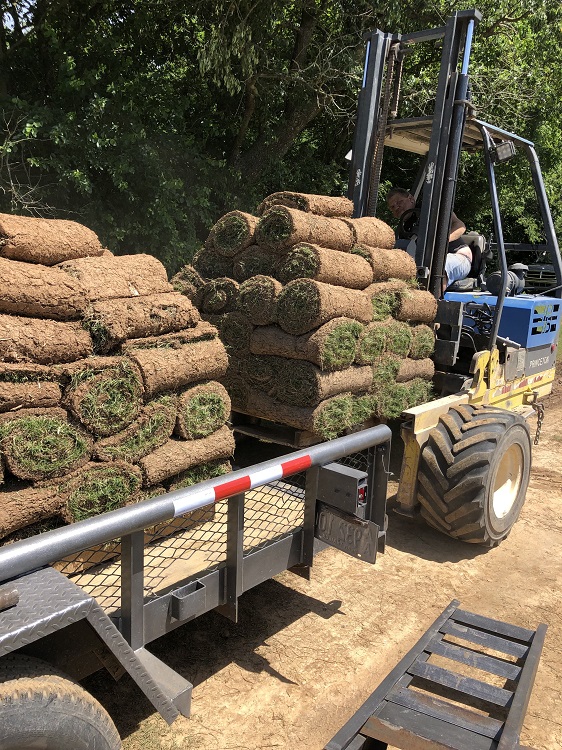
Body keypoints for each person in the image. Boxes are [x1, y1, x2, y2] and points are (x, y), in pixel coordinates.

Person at [387, 187, 472, 291]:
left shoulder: (431, 208)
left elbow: (460, 226)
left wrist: (441, 243)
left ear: (411, 199)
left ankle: (431, 302)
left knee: (438, 265)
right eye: (392, 207)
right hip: (426, 261)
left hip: (458, 256)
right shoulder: (403, 228)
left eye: (399, 202)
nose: (397, 207)